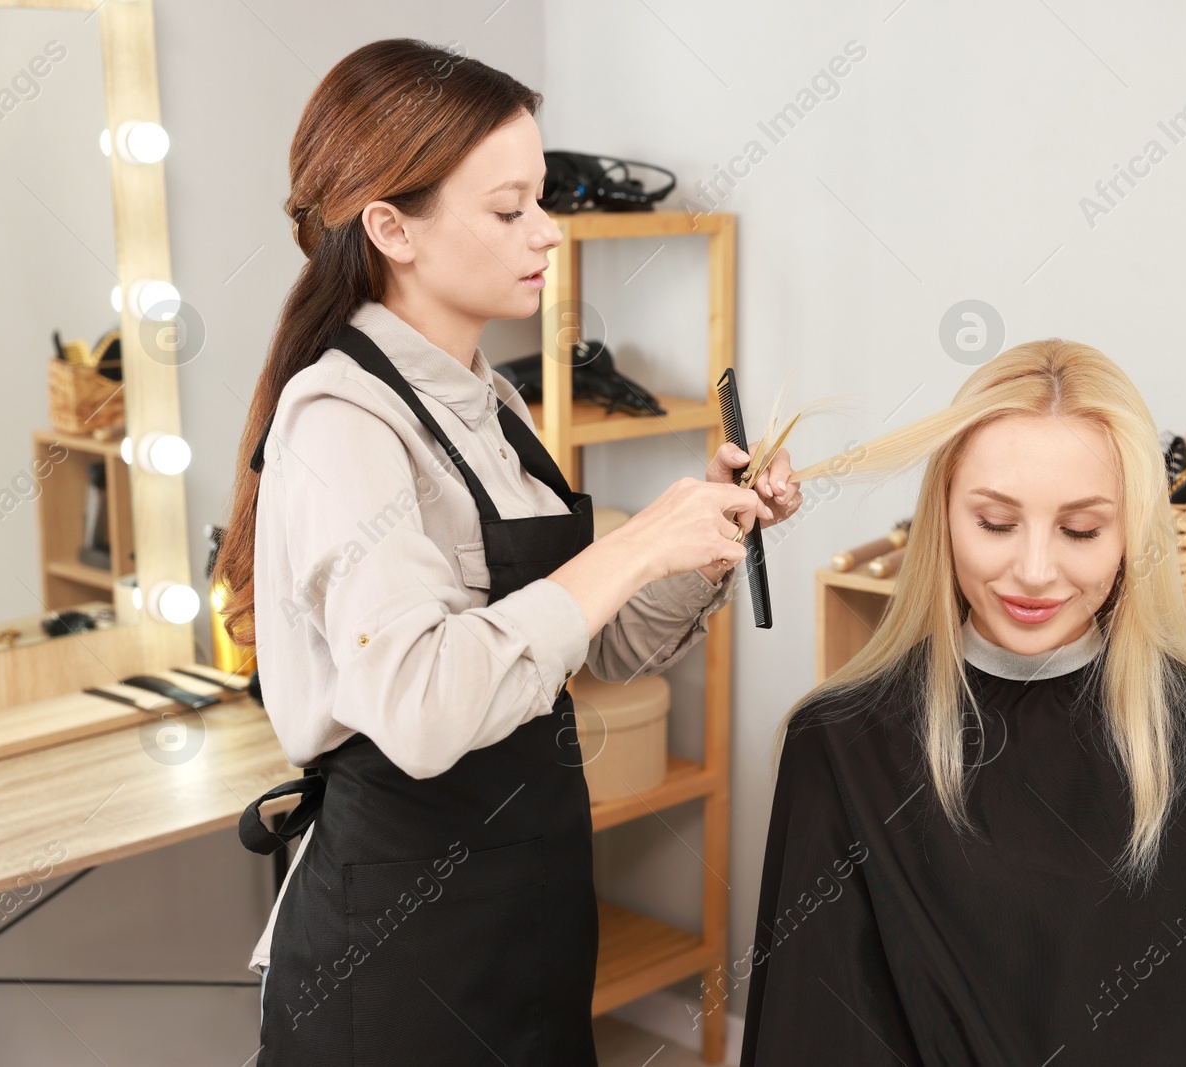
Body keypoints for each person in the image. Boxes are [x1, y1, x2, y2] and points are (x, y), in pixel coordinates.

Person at [211, 39, 802, 1067]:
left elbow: (596, 649)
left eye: (541, 200)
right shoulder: (340, 424)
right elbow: (426, 706)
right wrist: (631, 545)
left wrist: (699, 540)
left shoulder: (493, 402)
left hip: (527, 915)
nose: (548, 233)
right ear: (392, 226)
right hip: (395, 948)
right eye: (508, 208)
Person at [741, 340, 1186, 1065]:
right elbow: (817, 1036)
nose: (1035, 570)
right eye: (995, 522)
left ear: (1131, 537)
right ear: (943, 514)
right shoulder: (838, 747)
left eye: (1082, 530)